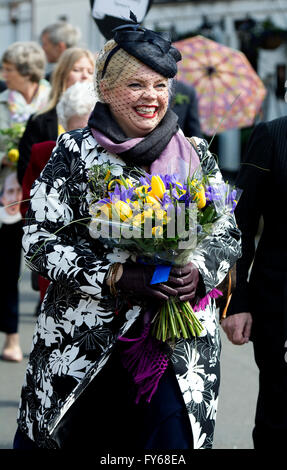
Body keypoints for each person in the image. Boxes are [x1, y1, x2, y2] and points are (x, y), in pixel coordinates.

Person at [13, 21, 241, 450]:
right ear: (106, 87)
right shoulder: (75, 153)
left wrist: (200, 271)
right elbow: (38, 242)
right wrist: (114, 277)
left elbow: (227, 234)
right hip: (85, 345)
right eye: (136, 84)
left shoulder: (196, 152)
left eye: (160, 85)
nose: (151, 97)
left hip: (179, 348)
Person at [221, 113, 287, 449]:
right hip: (280, 304)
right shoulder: (272, 136)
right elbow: (239, 225)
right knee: (280, 417)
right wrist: (236, 300)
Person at [21, 80, 97, 301]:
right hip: (59, 265)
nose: (83, 140)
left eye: (90, 131)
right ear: (64, 126)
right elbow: (26, 207)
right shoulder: (45, 153)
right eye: (77, 131)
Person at [0, 41, 50, 362]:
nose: (3, 74)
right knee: (6, 270)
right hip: (6, 197)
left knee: (46, 268)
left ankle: (48, 336)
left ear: (26, 73)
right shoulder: (2, 103)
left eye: (8, 69)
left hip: (45, 198)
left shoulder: (51, 100)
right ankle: (12, 337)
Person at [17, 47, 95, 186]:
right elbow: (25, 172)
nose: (84, 76)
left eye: (90, 72)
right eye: (77, 70)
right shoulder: (40, 120)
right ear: (62, 75)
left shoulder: (107, 118)